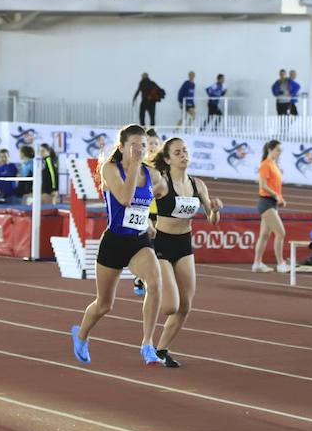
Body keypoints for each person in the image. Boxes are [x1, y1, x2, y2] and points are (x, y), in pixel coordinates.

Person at [71, 124, 169, 366]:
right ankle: (81, 334)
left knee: (155, 284)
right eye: (134, 145)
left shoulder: (152, 174)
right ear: (122, 147)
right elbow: (125, 199)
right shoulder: (110, 169)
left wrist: (146, 219)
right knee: (104, 304)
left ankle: (147, 344)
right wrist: (135, 165)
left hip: (138, 241)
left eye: (144, 146)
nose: (140, 149)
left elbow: (157, 194)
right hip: (114, 242)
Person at [150, 137, 223, 368]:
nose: (183, 155)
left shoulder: (198, 185)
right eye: (178, 152)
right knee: (170, 305)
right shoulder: (161, 182)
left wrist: (214, 210)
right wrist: (147, 223)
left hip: (183, 245)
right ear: (168, 158)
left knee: (185, 306)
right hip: (161, 242)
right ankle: (149, 287)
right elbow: (140, 205)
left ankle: (161, 350)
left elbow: (212, 220)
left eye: (185, 151)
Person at [133, 128, 162, 297]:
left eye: (156, 144)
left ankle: (148, 278)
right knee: (146, 245)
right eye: (150, 143)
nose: (153, 146)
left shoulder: (162, 167)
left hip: (161, 212)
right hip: (145, 210)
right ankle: (140, 277)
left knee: (158, 246)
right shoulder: (142, 166)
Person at [252, 140, 289, 273]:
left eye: (280, 151)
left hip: (272, 202)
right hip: (266, 202)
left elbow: (275, 186)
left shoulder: (274, 164)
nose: (279, 153)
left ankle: (257, 263)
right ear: (270, 149)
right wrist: (276, 196)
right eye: (278, 150)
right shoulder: (265, 164)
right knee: (280, 232)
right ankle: (280, 264)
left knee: (264, 235)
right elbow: (263, 186)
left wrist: (280, 198)